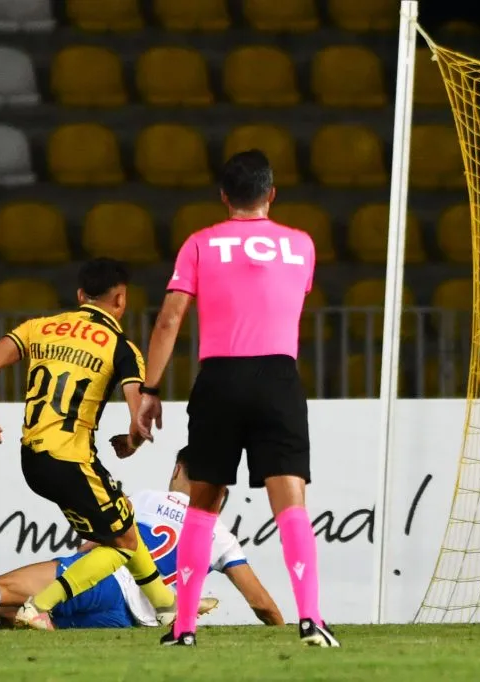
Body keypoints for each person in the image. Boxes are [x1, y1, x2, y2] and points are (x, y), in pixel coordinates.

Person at [135, 150, 337, 648]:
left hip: (219, 378)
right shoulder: (301, 245)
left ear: (223, 196)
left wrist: (150, 389)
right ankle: (311, 618)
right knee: (291, 501)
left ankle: (183, 628)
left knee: (201, 505)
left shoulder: (201, 244)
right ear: (271, 194)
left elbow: (169, 320)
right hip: (278, 376)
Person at [0, 258, 177, 630]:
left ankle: (166, 606)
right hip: (71, 460)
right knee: (122, 544)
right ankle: (40, 605)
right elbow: (139, 415)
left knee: (122, 523)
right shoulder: (121, 346)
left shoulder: (40, 327)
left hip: (32, 459)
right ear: (121, 301)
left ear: (81, 295)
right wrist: (132, 442)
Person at [0, 449, 282, 632]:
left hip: (106, 581)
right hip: (129, 618)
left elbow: (93, 546)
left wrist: (70, 568)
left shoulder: (150, 499)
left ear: (178, 468)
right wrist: (284, 634)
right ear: (220, 493)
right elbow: (261, 603)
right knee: (11, 615)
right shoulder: (221, 537)